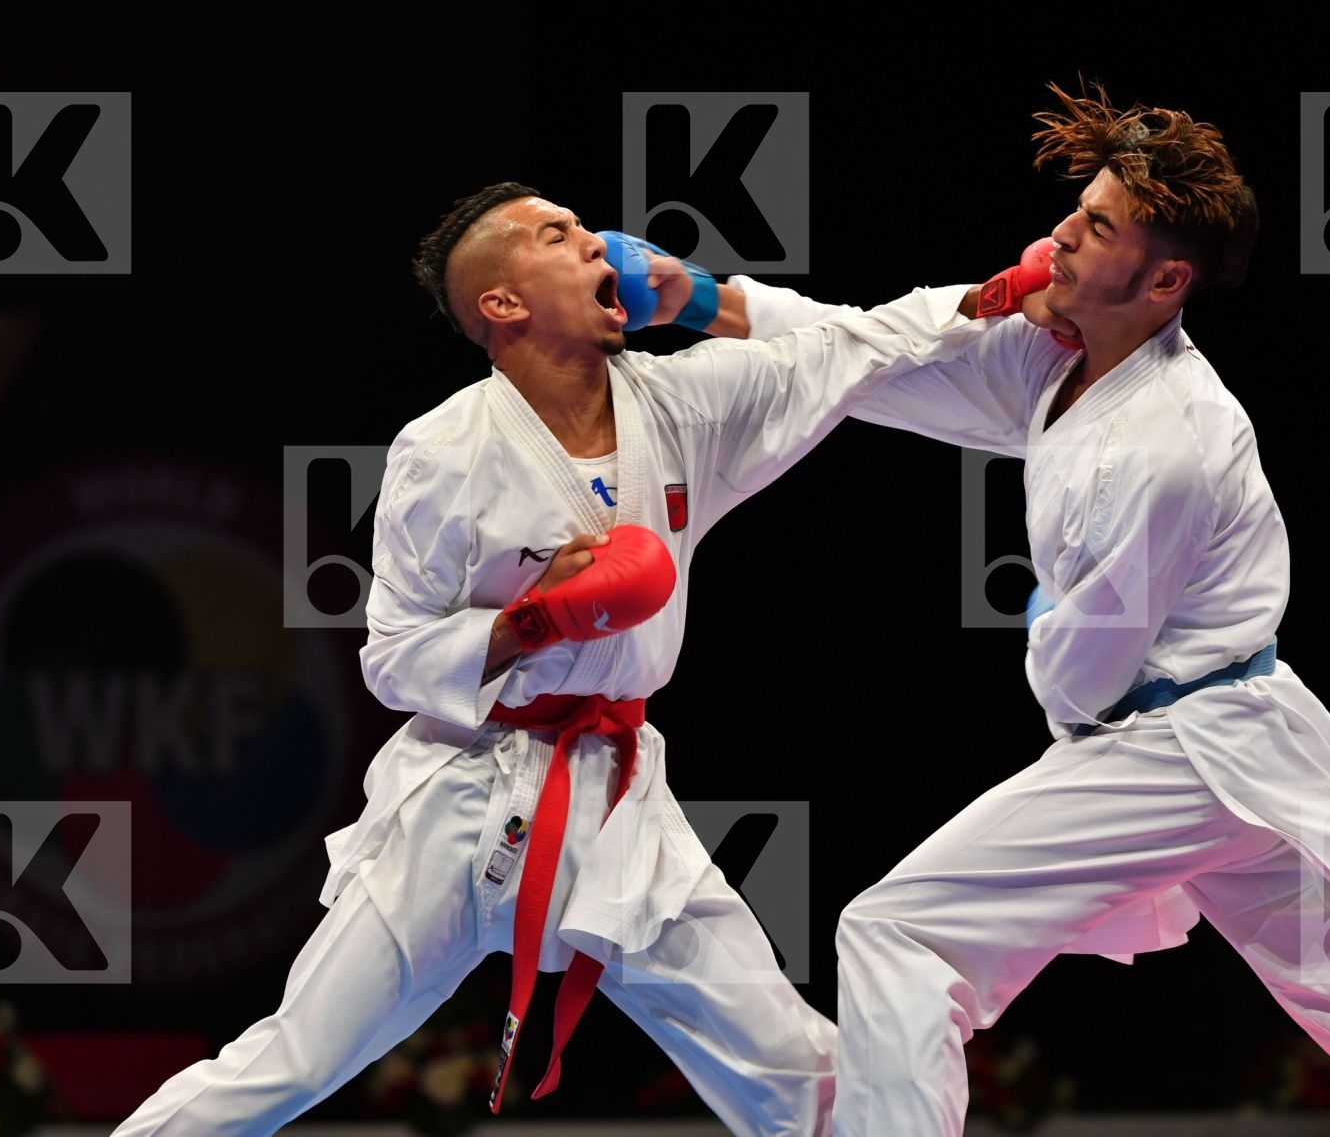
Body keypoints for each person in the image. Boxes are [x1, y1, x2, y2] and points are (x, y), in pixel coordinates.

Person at [716, 83, 1330, 1136]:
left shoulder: (1167, 444)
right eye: (1076, 209)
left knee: (902, 934)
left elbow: (1083, 676)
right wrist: (704, 303)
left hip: (1183, 744)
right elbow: (869, 362)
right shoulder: (1060, 363)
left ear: (1165, 278)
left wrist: (1046, 637)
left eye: (1094, 227)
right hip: (1242, 749)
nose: (1058, 235)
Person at [110, 182, 992, 1136]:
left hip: (615, 796)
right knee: (287, 1066)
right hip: (459, 803)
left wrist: (1007, 295)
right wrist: (533, 620)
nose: (603, 247)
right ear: (502, 303)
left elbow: (854, 347)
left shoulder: (687, 405)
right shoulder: (442, 450)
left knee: (800, 1071)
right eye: (561, 235)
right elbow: (394, 658)